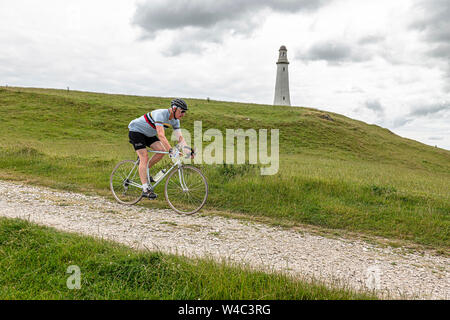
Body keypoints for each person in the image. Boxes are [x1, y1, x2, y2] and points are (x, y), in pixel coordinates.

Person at [128, 98, 192, 199]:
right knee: (144, 156)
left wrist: (188, 150)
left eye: (185, 112)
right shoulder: (160, 114)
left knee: (161, 151)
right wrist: (171, 150)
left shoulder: (175, 121)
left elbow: (180, 138)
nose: (183, 114)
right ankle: (145, 190)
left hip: (148, 134)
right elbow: (161, 135)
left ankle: (144, 171)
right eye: (182, 111)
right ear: (174, 108)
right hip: (136, 131)